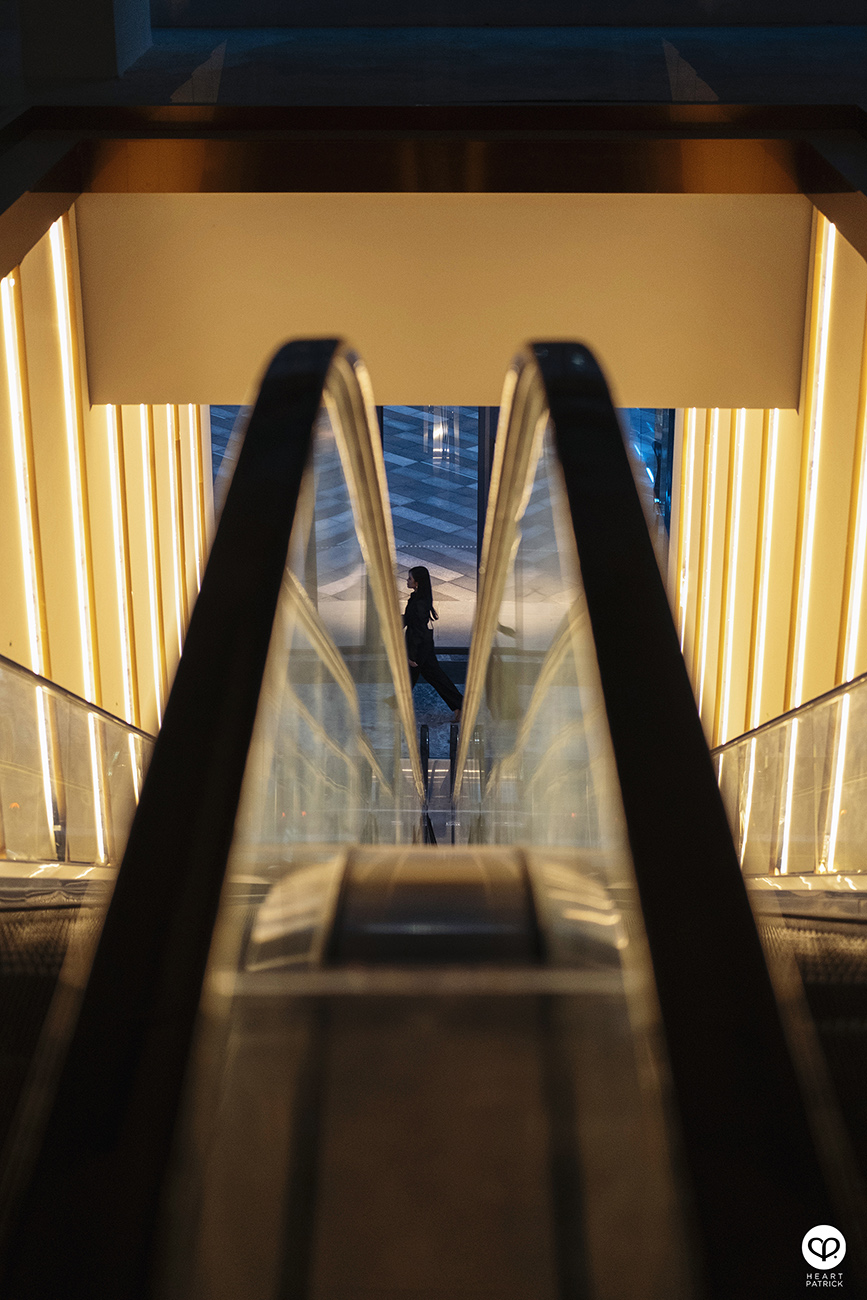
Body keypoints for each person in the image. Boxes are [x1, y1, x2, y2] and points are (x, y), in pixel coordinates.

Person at [403, 566, 463, 722]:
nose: (407, 580)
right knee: (430, 677)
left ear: (417, 582)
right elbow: (410, 620)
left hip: (420, 648)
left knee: (432, 677)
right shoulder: (418, 598)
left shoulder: (419, 602)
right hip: (423, 646)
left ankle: (460, 705)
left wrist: (412, 655)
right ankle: (459, 705)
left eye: (410, 578)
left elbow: (417, 630)